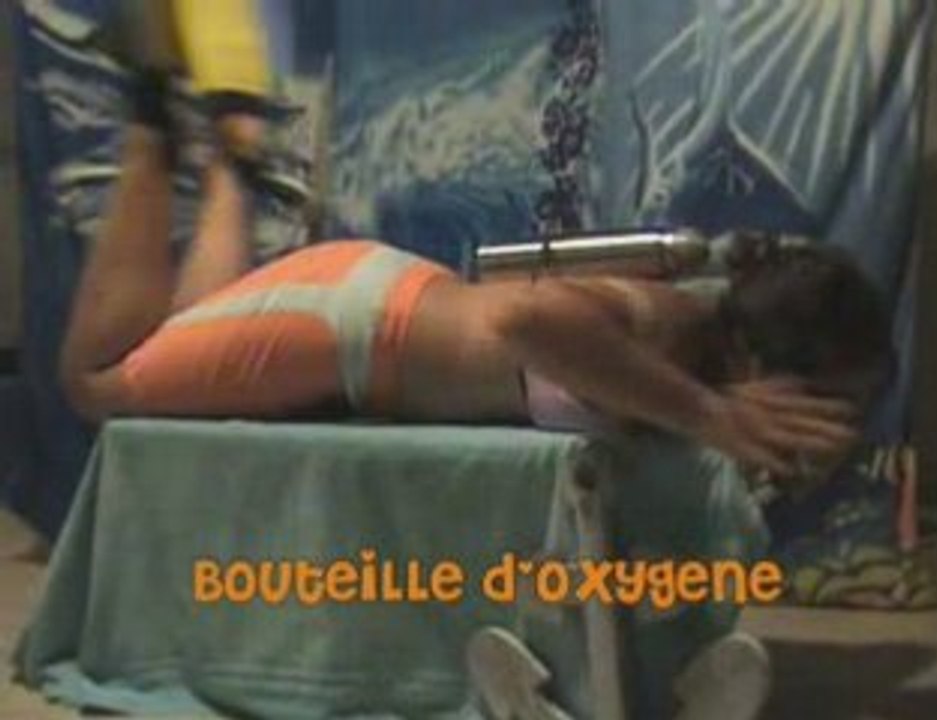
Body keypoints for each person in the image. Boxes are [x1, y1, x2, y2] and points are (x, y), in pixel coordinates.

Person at [59, 38, 893, 481]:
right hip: (348, 323)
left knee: (183, 337)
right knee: (98, 386)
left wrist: (709, 418)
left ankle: (230, 169)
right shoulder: (673, 331)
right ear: (757, 360)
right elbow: (528, 316)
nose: (822, 429)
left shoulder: (693, 349)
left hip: (370, 309)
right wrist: (708, 414)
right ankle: (148, 120)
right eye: (821, 403)